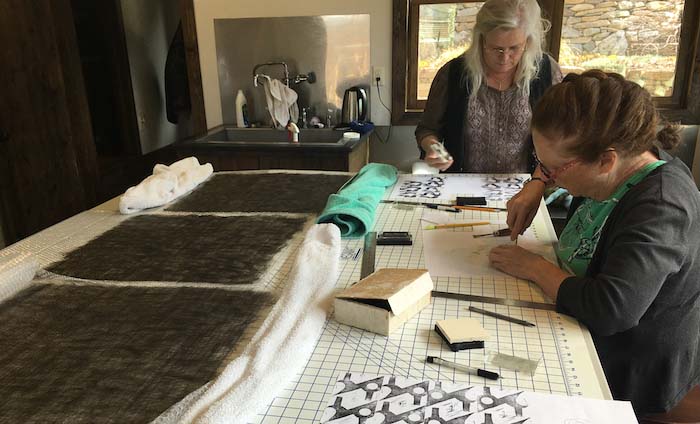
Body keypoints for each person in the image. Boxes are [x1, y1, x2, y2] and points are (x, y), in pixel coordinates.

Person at [489, 70, 700, 415]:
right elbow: (558, 164)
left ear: (606, 160)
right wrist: (536, 185)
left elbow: (610, 310)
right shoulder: (625, 154)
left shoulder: (662, 205)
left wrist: (535, 268)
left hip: (629, 366)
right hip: (588, 330)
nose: (546, 172)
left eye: (553, 168)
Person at [415, 0, 562, 174]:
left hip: (527, 187)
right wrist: (434, 147)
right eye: (496, 48)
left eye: (514, 48)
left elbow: (562, 133)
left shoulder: (546, 73)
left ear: (528, 41)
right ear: (481, 39)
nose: (505, 58)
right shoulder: (453, 74)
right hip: (462, 187)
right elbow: (427, 129)